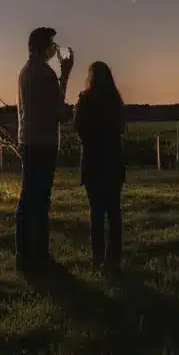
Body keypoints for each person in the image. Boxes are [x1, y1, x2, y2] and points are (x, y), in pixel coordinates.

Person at [15, 26, 74, 272]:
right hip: (43, 142)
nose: (54, 49)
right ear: (44, 47)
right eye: (52, 45)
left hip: (28, 139)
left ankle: (25, 252)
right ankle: (39, 254)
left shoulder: (26, 71)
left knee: (28, 197)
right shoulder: (45, 73)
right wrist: (66, 75)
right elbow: (57, 109)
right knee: (39, 199)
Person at [73, 61, 126, 274]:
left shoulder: (84, 100)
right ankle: (114, 259)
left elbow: (78, 129)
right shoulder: (116, 100)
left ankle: (98, 259)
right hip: (113, 159)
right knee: (114, 210)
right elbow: (121, 128)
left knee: (96, 211)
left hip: (93, 160)